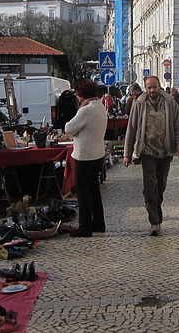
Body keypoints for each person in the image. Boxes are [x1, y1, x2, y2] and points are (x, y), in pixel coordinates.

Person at [123, 75, 179, 236]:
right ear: (145, 89)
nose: (152, 90)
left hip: (165, 151)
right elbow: (131, 129)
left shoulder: (170, 104)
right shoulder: (139, 104)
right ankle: (155, 222)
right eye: (149, 88)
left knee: (161, 185)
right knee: (150, 186)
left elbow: (178, 127)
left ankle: (154, 207)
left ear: (159, 86)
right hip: (147, 151)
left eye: (154, 87)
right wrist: (127, 154)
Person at [64, 78, 108, 237]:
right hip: (97, 154)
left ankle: (85, 227)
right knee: (94, 190)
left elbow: (69, 128)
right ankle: (99, 223)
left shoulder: (86, 110)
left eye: (77, 94)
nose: (76, 96)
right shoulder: (100, 106)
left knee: (82, 192)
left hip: (84, 156)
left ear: (82, 94)